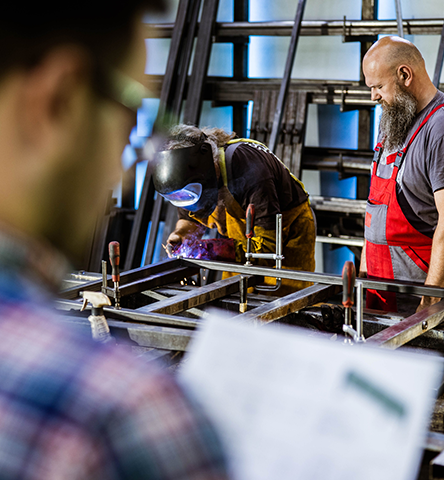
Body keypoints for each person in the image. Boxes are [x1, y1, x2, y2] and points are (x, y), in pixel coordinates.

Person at [0, 5, 230, 479]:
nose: (120, 168)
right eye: (128, 121)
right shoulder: (122, 418)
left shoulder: (247, 166)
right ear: (60, 100)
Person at [359, 36, 444, 313]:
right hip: (382, 285)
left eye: (378, 86)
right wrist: (366, 269)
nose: (373, 96)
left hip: (421, 291)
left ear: (404, 74)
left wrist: (428, 306)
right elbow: (376, 209)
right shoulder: (395, 118)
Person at [152, 124, 316, 295]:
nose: (183, 199)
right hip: (239, 236)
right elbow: (190, 218)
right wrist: (181, 235)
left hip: (286, 234)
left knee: (286, 305)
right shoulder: (189, 181)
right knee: (236, 298)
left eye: (186, 194)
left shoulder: (251, 170)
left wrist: (208, 250)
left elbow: (268, 249)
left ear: (207, 168)